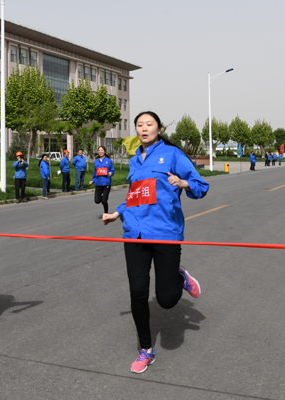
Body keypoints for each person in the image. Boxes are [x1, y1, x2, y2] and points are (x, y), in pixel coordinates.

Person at [103, 111, 209, 374]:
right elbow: (136, 195)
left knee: (167, 299)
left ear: (159, 129)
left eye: (149, 124)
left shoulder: (172, 155)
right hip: (134, 234)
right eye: (139, 125)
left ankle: (179, 277)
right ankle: (146, 350)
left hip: (164, 233)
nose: (143, 128)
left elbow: (201, 186)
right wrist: (117, 213)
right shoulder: (134, 160)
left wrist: (183, 183)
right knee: (138, 293)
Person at [89, 146, 115, 214]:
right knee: (97, 201)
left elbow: (112, 171)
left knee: (104, 201)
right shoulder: (96, 162)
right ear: (98, 152)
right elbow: (95, 173)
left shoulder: (109, 161)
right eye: (99, 150)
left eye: (102, 150)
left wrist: (111, 173)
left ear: (105, 151)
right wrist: (92, 180)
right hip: (98, 183)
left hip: (106, 183)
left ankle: (106, 213)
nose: (100, 151)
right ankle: (103, 198)